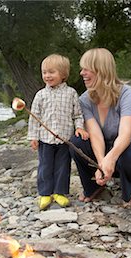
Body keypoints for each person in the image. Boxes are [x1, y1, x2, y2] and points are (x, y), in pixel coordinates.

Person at [69, 48, 131, 206]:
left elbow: (125, 135)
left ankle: (130, 184)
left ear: (101, 70)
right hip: (107, 155)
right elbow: (95, 135)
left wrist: (110, 158)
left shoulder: (127, 94)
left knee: (129, 152)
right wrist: (102, 163)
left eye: (86, 69)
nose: (81, 73)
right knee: (77, 141)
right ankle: (94, 186)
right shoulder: (84, 100)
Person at [27, 54, 89, 210]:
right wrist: (33, 137)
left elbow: (77, 115)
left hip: (65, 137)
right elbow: (34, 117)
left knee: (63, 165)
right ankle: (45, 193)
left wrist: (79, 127)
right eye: (44, 72)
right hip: (45, 138)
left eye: (51, 72)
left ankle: (60, 192)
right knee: (45, 166)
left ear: (63, 74)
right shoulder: (40, 95)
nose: (47, 76)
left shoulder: (71, 93)